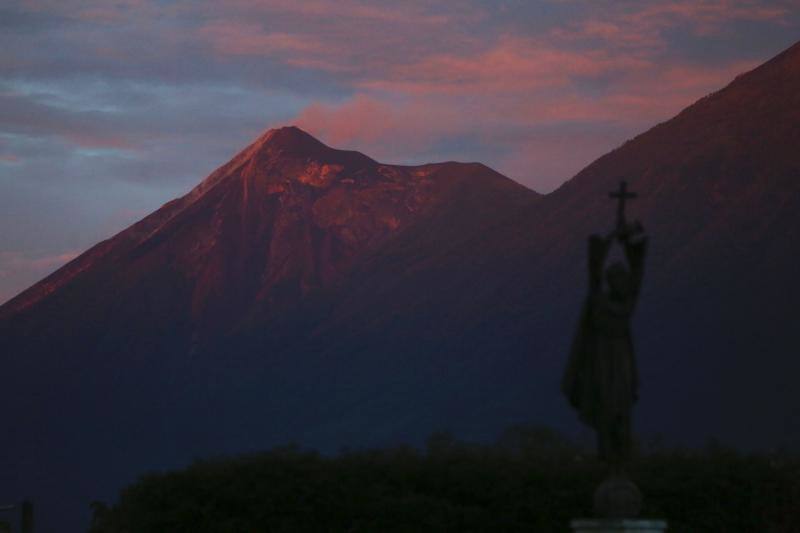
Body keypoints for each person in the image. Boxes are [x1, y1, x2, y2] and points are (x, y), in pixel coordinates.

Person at [562, 220, 648, 467]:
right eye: (620, 280)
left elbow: (638, 275)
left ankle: (621, 456)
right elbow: (594, 275)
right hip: (603, 361)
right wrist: (611, 239)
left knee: (621, 409)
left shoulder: (625, 305)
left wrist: (628, 241)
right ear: (613, 283)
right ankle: (609, 458)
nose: (625, 284)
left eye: (625, 280)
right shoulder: (600, 302)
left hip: (620, 361)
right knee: (607, 408)